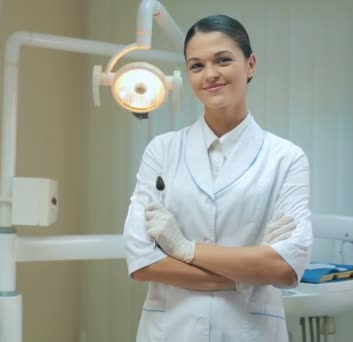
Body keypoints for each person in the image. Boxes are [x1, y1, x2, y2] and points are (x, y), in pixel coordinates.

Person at [123, 14, 313, 342]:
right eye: (196, 66)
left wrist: (183, 248)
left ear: (250, 64)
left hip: (249, 331)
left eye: (223, 60)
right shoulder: (162, 151)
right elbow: (142, 263)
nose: (210, 74)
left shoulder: (286, 158)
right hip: (172, 330)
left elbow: (284, 268)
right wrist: (251, 270)